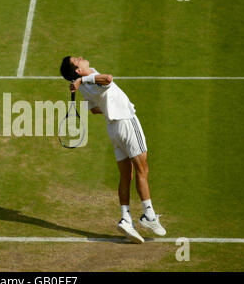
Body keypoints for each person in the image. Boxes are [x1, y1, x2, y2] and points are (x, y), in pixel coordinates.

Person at [60, 56, 166, 244]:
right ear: (77, 70)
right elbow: (108, 78)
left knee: (126, 175)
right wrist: (83, 79)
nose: (81, 57)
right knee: (143, 170)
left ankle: (126, 218)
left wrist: (109, 104)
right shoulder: (89, 80)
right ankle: (148, 215)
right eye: (77, 59)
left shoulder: (85, 85)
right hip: (126, 121)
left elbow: (93, 110)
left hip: (113, 129)